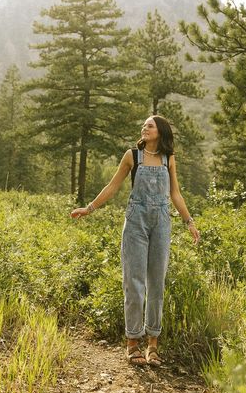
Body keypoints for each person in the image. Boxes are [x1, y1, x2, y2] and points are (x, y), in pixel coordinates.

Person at [71, 115, 200, 367]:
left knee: (156, 284)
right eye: (143, 125)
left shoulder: (168, 158)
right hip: (136, 222)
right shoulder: (132, 156)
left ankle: (153, 344)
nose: (144, 127)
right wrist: (89, 208)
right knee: (134, 282)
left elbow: (175, 193)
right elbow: (113, 186)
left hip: (162, 222)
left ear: (160, 131)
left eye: (149, 125)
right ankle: (132, 343)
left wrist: (189, 222)